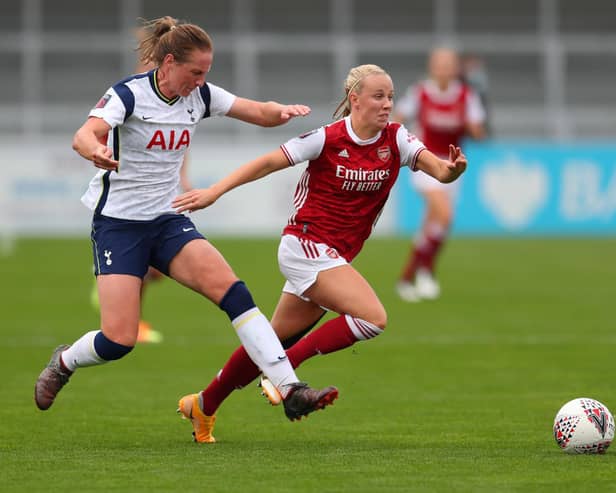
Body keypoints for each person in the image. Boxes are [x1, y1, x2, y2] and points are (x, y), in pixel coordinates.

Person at [33, 16, 339, 437]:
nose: (201, 80)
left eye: (206, 72)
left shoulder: (201, 95)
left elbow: (255, 111)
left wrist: (280, 112)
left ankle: (290, 389)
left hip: (168, 221)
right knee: (118, 340)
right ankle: (64, 361)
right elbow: (86, 133)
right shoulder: (129, 94)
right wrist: (95, 150)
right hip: (119, 226)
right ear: (169, 62)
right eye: (195, 72)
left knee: (235, 293)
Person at [171, 63, 468, 442]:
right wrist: (214, 190)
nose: (387, 104)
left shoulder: (397, 139)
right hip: (305, 245)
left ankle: (203, 405)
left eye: (390, 97)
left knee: (269, 342)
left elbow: (440, 172)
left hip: (333, 256)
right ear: (354, 99)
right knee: (372, 318)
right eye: (378, 96)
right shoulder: (326, 138)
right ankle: (286, 373)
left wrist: (452, 172)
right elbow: (265, 164)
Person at [88, 27, 194, 344]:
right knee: (150, 265)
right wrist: (99, 150)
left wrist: (183, 178)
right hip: (131, 195)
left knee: (157, 270)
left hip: (162, 189)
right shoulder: (137, 87)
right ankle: (127, 311)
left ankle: (128, 307)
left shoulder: (179, 92)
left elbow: (176, 142)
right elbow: (106, 128)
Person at [393, 47, 486, 302]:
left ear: (456, 68)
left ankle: (406, 278)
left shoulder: (467, 95)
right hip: (425, 160)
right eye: (439, 64)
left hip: (454, 165)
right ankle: (426, 272)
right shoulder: (420, 92)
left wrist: (474, 124)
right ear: (431, 67)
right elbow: (397, 120)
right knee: (444, 215)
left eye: (448, 64)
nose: (443, 69)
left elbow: (479, 134)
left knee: (432, 225)